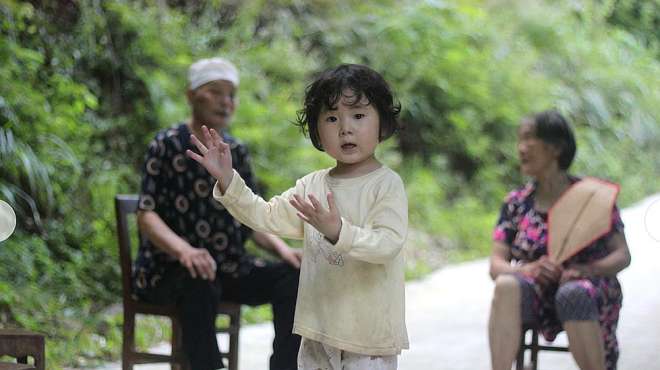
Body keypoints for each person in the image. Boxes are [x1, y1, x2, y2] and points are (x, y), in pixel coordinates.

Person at [187, 64, 409, 370]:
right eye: (331, 118)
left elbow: (388, 244)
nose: (345, 128)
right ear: (317, 132)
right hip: (317, 333)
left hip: (367, 338)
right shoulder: (312, 186)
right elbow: (265, 216)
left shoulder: (386, 185)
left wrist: (338, 231)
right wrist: (228, 179)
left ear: (382, 123)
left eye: (358, 115)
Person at [133, 57, 302, 370]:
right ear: (191, 95)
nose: (226, 102)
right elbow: (147, 214)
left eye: (231, 95)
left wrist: (282, 250)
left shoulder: (235, 151)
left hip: (228, 267)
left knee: (292, 277)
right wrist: (186, 251)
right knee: (199, 278)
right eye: (216, 92)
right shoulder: (167, 144)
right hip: (170, 270)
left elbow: (250, 215)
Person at [488, 110, 632, 370]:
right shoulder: (516, 203)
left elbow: (622, 254)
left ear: (556, 147)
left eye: (529, 138)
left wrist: (586, 270)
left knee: (573, 293)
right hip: (537, 291)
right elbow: (496, 265)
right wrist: (529, 269)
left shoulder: (592, 198)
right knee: (506, 285)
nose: (521, 148)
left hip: (587, 288)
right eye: (519, 140)